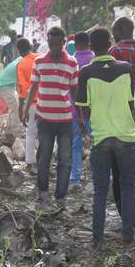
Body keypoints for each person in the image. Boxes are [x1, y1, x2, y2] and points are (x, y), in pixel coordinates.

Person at [75, 27, 135, 252]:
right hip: (125, 136)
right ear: (110, 43)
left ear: (91, 47)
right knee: (128, 186)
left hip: (101, 137)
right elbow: (131, 103)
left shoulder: (85, 72)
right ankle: (127, 236)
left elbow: (82, 109)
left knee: (100, 190)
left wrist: (88, 130)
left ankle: (97, 239)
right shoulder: (125, 69)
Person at [21, 27, 79, 210]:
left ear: (63, 43)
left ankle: (60, 197)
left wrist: (79, 116)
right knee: (43, 157)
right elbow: (33, 88)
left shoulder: (72, 63)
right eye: (51, 43)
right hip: (44, 118)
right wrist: (25, 109)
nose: (54, 47)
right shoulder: (39, 62)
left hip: (65, 120)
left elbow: (75, 91)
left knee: (65, 159)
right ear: (48, 42)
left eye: (57, 44)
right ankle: (43, 194)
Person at [110, 16, 135, 227]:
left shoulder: (113, 54)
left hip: (117, 122)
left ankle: (128, 216)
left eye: (115, 31)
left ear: (121, 30)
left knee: (118, 172)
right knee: (129, 172)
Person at [69, 31, 95, 189]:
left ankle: (75, 179)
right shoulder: (95, 59)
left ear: (75, 44)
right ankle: (96, 177)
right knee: (96, 144)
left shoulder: (72, 61)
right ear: (89, 42)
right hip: (94, 110)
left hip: (74, 111)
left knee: (76, 144)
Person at [16, 38, 40, 173]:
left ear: (18, 50)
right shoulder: (41, 58)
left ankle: (30, 162)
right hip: (48, 101)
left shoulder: (21, 64)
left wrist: (21, 109)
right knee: (47, 133)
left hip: (33, 103)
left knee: (31, 133)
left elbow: (23, 89)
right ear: (31, 46)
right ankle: (47, 160)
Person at [0, 55, 21, 138]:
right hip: (5, 85)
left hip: (7, 83)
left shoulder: (21, 59)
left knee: (14, 107)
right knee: (15, 108)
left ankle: (9, 130)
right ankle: (14, 132)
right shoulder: (24, 62)